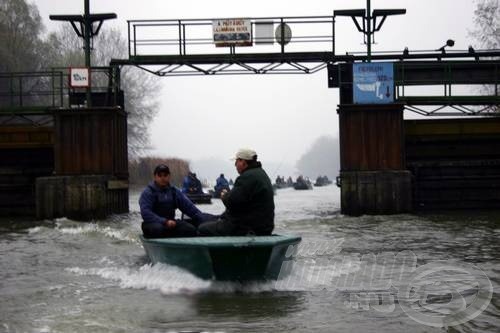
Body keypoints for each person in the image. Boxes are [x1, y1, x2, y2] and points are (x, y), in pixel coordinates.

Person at [198, 148, 275, 236]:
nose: (235, 164)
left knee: (202, 228)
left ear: (243, 162)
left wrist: (224, 196)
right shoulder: (261, 173)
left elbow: (232, 203)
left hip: (247, 228)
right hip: (263, 227)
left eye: (237, 161)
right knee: (215, 219)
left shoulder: (246, 177)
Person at [139, 164, 209, 238]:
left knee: (190, 230)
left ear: (169, 176)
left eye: (165, 175)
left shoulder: (174, 192)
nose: (163, 178)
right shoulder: (148, 192)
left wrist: (204, 220)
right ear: (155, 177)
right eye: (160, 175)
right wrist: (165, 221)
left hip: (171, 223)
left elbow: (190, 209)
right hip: (152, 223)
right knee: (158, 229)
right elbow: (146, 213)